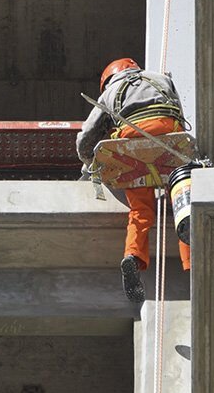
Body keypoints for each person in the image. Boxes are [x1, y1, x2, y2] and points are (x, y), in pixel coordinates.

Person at [76, 58, 189, 303]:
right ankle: (191, 263)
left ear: (108, 79)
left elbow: (86, 137)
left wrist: (89, 163)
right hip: (168, 131)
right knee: (183, 201)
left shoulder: (110, 91)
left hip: (131, 141)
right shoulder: (160, 78)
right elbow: (178, 108)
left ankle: (133, 257)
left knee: (140, 210)